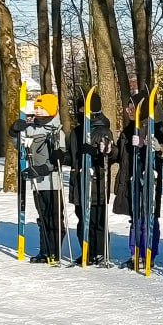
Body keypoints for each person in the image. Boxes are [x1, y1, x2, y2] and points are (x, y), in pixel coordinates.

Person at [11, 93, 68, 264]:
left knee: (54, 217)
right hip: (37, 183)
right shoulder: (31, 129)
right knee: (42, 217)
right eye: (36, 108)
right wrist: (14, 131)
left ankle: (54, 251)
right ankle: (45, 250)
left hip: (53, 182)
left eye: (42, 108)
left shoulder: (57, 131)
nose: (38, 111)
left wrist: (42, 169)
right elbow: (19, 146)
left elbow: (59, 158)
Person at [112, 92, 163, 268]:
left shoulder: (154, 129)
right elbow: (118, 154)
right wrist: (107, 150)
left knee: (147, 217)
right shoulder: (128, 131)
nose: (129, 111)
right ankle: (135, 253)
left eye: (132, 107)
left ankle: (148, 252)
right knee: (135, 218)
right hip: (131, 179)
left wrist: (145, 144)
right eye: (128, 107)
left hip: (148, 180)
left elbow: (162, 155)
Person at [67, 91, 115, 265]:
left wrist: (97, 152)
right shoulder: (76, 132)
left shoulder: (103, 130)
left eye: (84, 108)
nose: (81, 111)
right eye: (80, 108)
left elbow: (112, 153)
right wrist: (60, 156)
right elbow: (72, 157)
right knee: (83, 219)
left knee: (97, 220)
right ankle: (86, 249)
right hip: (79, 183)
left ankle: (100, 252)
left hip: (96, 183)